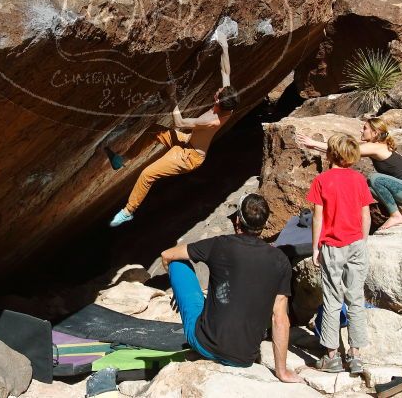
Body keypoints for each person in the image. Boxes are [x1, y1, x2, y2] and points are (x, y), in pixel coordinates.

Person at [160, 193, 301, 383]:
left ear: (237, 220)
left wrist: (179, 291)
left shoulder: (220, 245)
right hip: (244, 358)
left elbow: (167, 255)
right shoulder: (280, 261)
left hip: (204, 344)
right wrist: (281, 372)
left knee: (178, 263)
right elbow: (280, 319)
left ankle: (185, 302)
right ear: (264, 225)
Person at [110, 29, 239, 227]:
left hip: (189, 157)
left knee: (147, 174)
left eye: (219, 92)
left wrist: (172, 97)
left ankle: (129, 211)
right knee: (154, 130)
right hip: (187, 141)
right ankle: (121, 160)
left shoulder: (212, 120)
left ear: (217, 101)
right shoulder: (229, 104)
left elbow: (180, 122)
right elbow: (225, 72)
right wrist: (225, 46)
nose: (219, 89)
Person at [307, 133, 373, 374]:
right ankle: (355, 356)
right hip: (356, 243)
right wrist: (362, 242)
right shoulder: (359, 179)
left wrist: (316, 247)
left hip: (333, 246)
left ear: (330, 153)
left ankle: (332, 356)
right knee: (355, 299)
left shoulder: (322, 180)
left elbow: (318, 217)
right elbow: (365, 215)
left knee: (333, 301)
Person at [298, 117, 402, 230]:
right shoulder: (377, 146)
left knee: (375, 178)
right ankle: (400, 214)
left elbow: (344, 150)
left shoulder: (377, 147)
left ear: (375, 132)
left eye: (365, 128)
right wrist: (314, 147)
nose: (361, 130)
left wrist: (313, 143)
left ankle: (396, 215)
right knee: (366, 189)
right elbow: (340, 150)